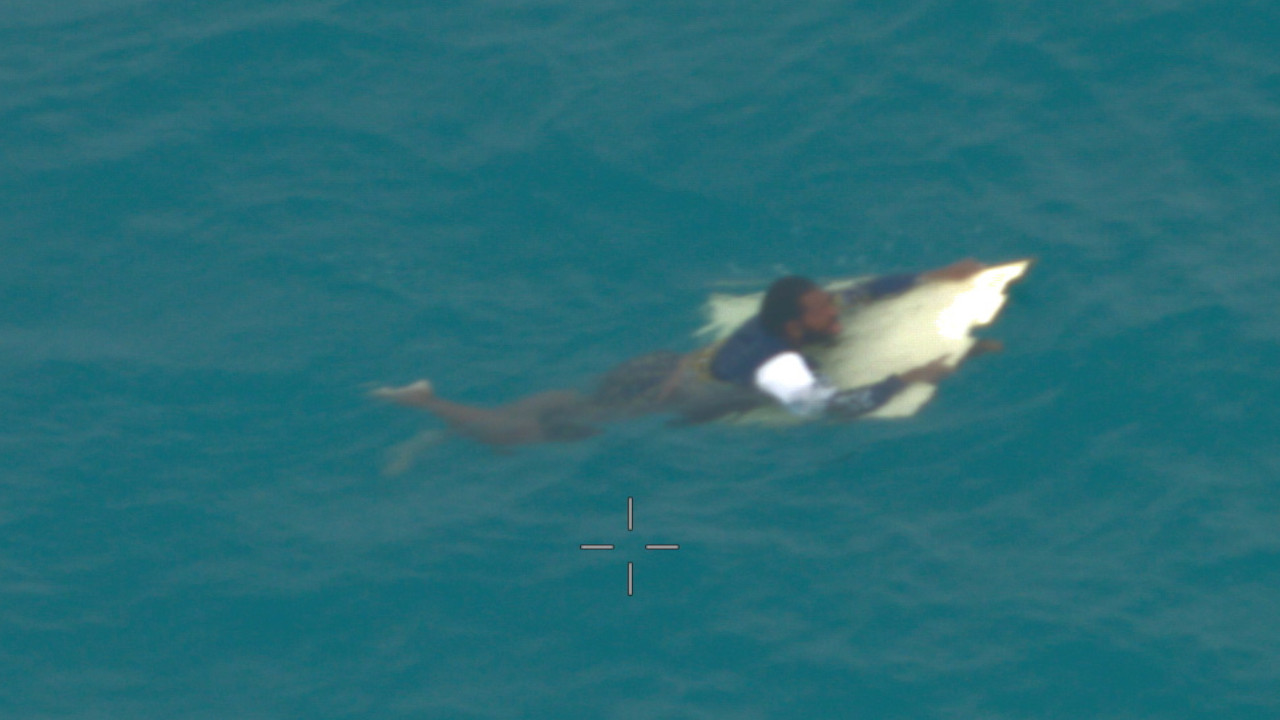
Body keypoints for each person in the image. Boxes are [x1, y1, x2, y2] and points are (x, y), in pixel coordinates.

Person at [372, 260, 990, 447]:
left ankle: (443, 420)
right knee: (541, 433)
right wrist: (922, 371)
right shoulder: (782, 365)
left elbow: (858, 294)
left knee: (575, 400)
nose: (834, 312)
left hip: (660, 366)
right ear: (797, 325)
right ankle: (432, 408)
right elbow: (836, 407)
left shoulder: (777, 317)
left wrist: (935, 277)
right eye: (822, 313)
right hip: (661, 398)